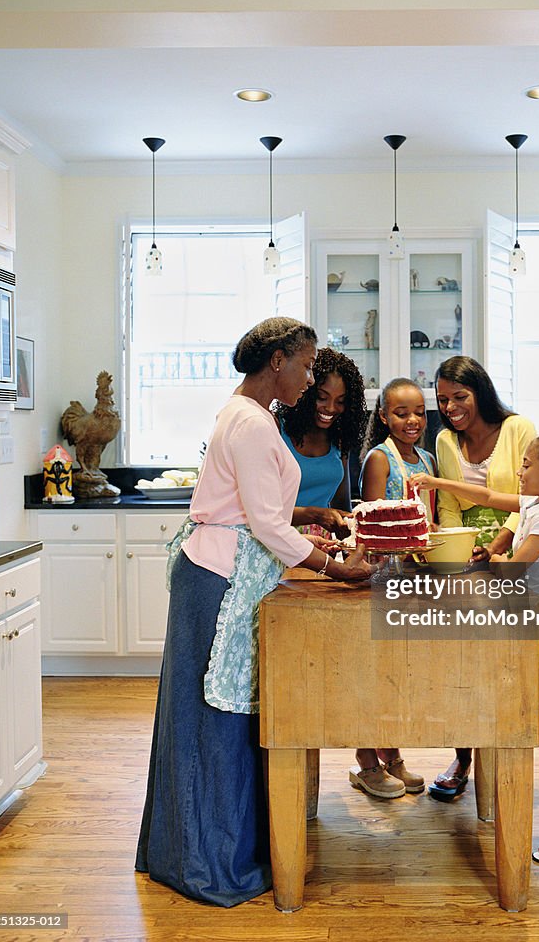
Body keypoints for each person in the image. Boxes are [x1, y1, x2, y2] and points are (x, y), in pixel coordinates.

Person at [136, 317, 372, 907]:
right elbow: (263, 523)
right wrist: (334, 567)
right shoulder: (248, 420)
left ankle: (203, 849)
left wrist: (314, 520)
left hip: (223, 570)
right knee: (215, 718)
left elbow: (259, 506)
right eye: (308, 364)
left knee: (225, 715)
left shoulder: (251, 416)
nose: (311, 376)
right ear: (278, 361)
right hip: (216, 579)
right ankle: (209, 863)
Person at [411, 433, 539, 865]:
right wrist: (438, 483)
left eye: (526, 464)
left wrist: (490, 561)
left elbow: (514, 571)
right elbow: (484, 495)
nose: (519, 471)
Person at [429, 355, 536, 799]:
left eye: (460, 397)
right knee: (460, 662)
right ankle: (465, 756)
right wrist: (455, 555)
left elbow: (531, 498)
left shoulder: (518, 429)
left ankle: (504, 760)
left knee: (505, 666)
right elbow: (451, 506)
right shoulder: (444, 441)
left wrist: (497, 548)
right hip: (468, 552)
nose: (451, 408)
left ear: (481, 392)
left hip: (518, 550)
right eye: (443, 400)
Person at [348, 377, 436, 799]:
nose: (412, 420)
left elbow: (430, 519)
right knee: (372, 670)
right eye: (401, 413)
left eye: (419, 411)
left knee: (399, 674)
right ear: (383, 416)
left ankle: (392, 753)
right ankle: (366, 760)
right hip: (384, 578)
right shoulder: (379, 460)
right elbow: (372, 524)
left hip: (417, 577)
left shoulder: (427, 460)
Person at [274, 347, 368, 537]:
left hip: (322, 549)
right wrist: (315, 515)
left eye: (341, 401)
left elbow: (341, 505)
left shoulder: (339, 439)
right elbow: (260, 513)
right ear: (305, 392)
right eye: (322, 397)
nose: (331, 408)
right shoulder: (274, 428)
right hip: (278, 543)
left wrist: (351, 552)